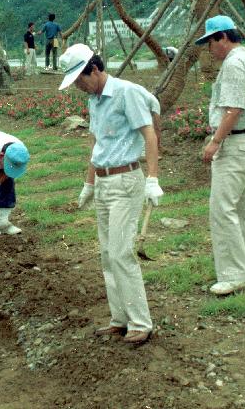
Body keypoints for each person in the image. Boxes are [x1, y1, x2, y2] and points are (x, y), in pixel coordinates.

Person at [59, 43, 162, 345]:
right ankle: (120, 318)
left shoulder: (126, 93)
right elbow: (96, 145)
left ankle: (141, 322)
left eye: (81, 79)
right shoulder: (94, 100)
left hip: (125, 180)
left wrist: (153, 179)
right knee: (107, 254)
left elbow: (149, 134)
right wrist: (89, 183)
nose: (79, 86)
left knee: (121, 252)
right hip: (104, 182)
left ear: (95, 68)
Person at [195, 15, 245, 296]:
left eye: (210, 42)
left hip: (237, 145)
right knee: (244, 209)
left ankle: (233, 274)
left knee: (223, 209)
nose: (209, 49)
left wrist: (215, 142)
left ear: (223, 38)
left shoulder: (234, 65)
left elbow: (233, 109)